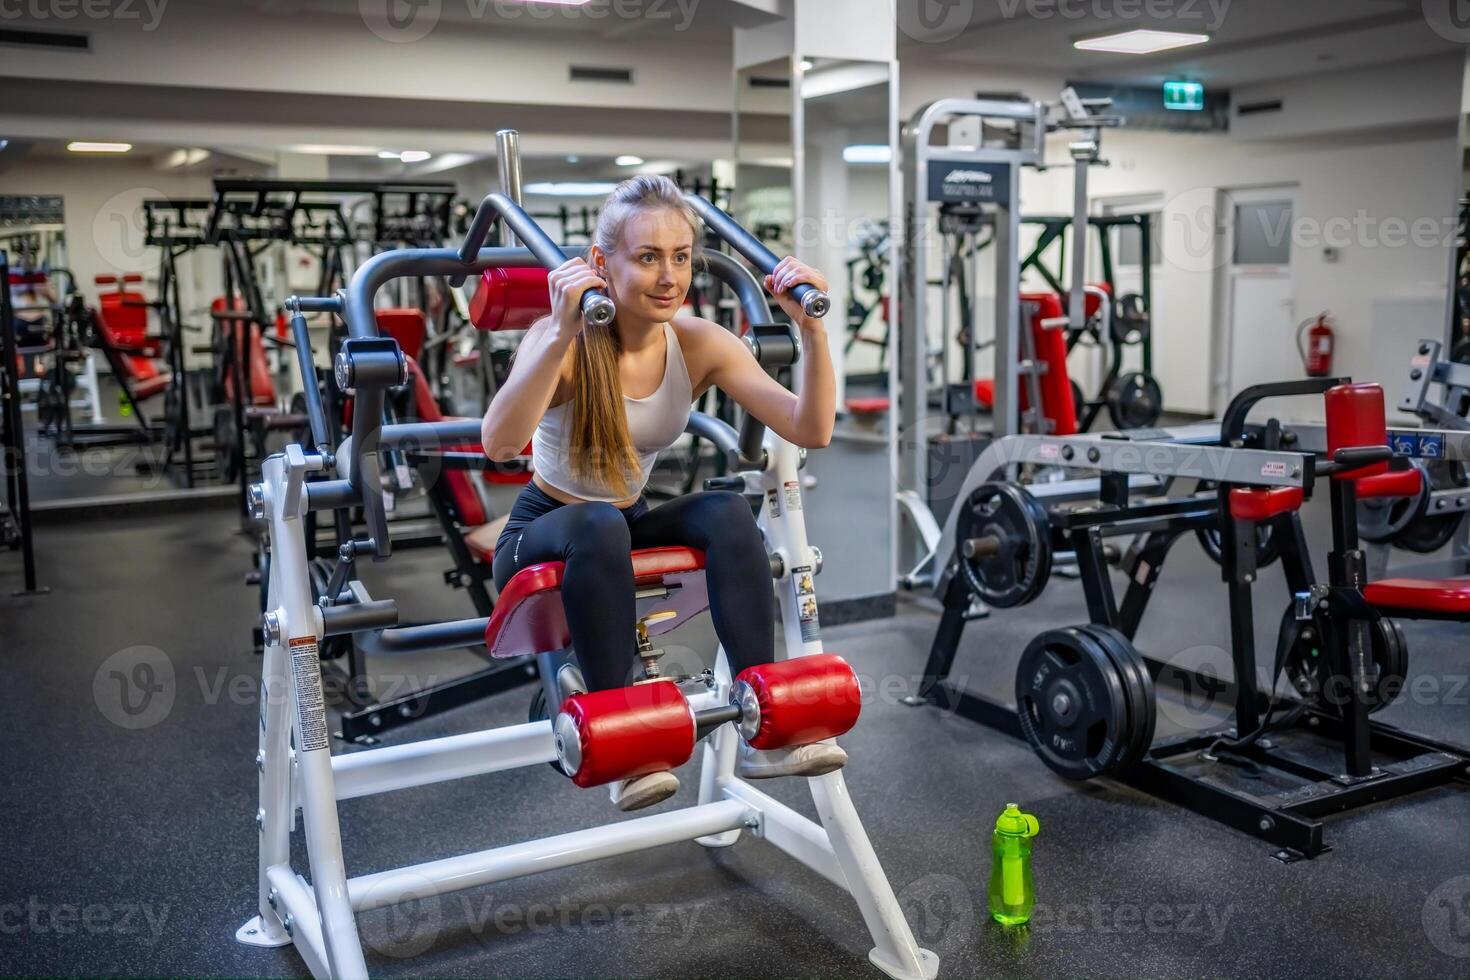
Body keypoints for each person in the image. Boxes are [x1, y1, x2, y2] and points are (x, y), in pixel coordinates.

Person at [481, 175, 839, 811]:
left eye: (680, 257)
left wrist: (810, 331)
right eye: (648, 257)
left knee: (726, 509)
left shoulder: (697, 342)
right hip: (544, 533)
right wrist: (560, 329)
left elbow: (811, 427)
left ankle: (763, 717)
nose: (669, 276)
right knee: (597, 523)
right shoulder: (560, 339)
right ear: (601, 264)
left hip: (620, 522)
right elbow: (499, 443)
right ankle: (624, 741)